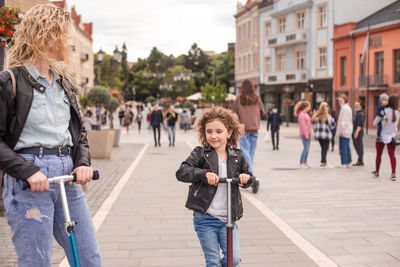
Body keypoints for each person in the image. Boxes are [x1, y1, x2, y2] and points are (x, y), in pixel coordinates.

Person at [0, 4, 101, 266]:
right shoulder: (11, 81)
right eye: (65, 35)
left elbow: (78, 133)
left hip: (67, 177)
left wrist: (83, 162)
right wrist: (26, 171)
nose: (69, 42)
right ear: (47, 35)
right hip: (30, 178)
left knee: (89, 258)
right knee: (36, 261)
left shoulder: (64, 83)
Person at [176, 107, 254, 267]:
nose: (213, 136)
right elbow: (182, 172)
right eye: (209, 131)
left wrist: (246, 179)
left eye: (219, 131)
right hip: (205, 217)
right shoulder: (200, 154)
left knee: (234, 259)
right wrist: (203, 174)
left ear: (229, 132)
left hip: (228, 218)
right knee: (212, 261)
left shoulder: (237, 156)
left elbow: (249, 178)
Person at [232, 79, 265, 173]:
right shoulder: (257, 98)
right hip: (254, 128)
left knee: (245, 152)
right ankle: (248, 172)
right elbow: (262, 112)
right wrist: (255, 118)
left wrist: (238, 122)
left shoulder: (239, 99)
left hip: (243, 129)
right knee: (250, 152)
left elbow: (233, 112)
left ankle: (249, 173)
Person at [372, 95, 399, 180]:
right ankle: (393, 173)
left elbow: (374, 123)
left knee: (379, 155)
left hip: (381, 136)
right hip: (392, 137)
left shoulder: (384, 112)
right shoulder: (398, 113)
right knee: (392, 156)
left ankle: (377, 172)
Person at [312, 102, 335, 168]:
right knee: (325, 148)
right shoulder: (329, 117)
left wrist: (315, 135)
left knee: (323, 148)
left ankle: (323, 161)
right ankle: (323, 162)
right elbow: (333, 126)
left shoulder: (317, 116)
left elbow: (314, 127)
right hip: (326, 135)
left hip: (319, 136)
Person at [294, 100, 313, 168]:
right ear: (306, 107)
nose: (309, 107)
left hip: (308, 133)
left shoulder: (306, 114)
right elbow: (303, 126)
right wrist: (306, 135)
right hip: (304, 134)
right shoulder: (301, 115)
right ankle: (301, 162)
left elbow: (309, 122)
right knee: (305, 148)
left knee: (307, 148)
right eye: (309, 106)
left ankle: (305, 162)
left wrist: (313, 117)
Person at [337, 94, 353, 168]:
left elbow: (344, 121)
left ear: (345, 100)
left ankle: (345, 162)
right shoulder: (346, 107)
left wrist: (342, 131)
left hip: (344, 131)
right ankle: (348, 161)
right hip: (347, 130)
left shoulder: (345, 108)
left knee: (343, 147)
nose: (339, 102)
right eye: (339, 101)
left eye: (341, 100)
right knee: (346, 146)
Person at [352, 99, 365, 166]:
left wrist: (356, 132)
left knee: (359, 146)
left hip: (358, 132)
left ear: (361, 106)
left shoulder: (361, 114)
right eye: (355, 105)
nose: (356, 106)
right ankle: (360, 159)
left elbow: (360, 124)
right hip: (354, 131)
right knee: (356, 146)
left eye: (357, 105)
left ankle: (360, 161)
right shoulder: (355, 113)